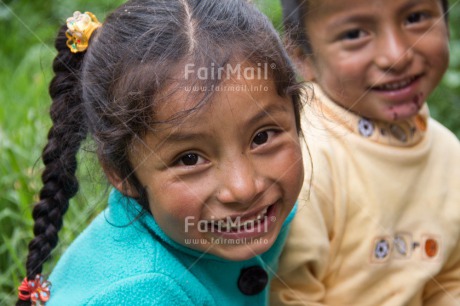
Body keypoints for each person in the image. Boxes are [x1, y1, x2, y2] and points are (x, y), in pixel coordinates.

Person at [16, 1, 307, 305]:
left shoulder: (254, 215)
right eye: (190, 159)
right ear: (121, 172)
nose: (244, 188)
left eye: (262, 137)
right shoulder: (140, 294)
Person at [271, 0, 460, 305]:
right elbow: (290, 294)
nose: (397, 56)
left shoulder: (449, 153)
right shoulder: (304, 159)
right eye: (354, 34)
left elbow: (451, 280)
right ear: (301, 57)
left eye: (415, 18)